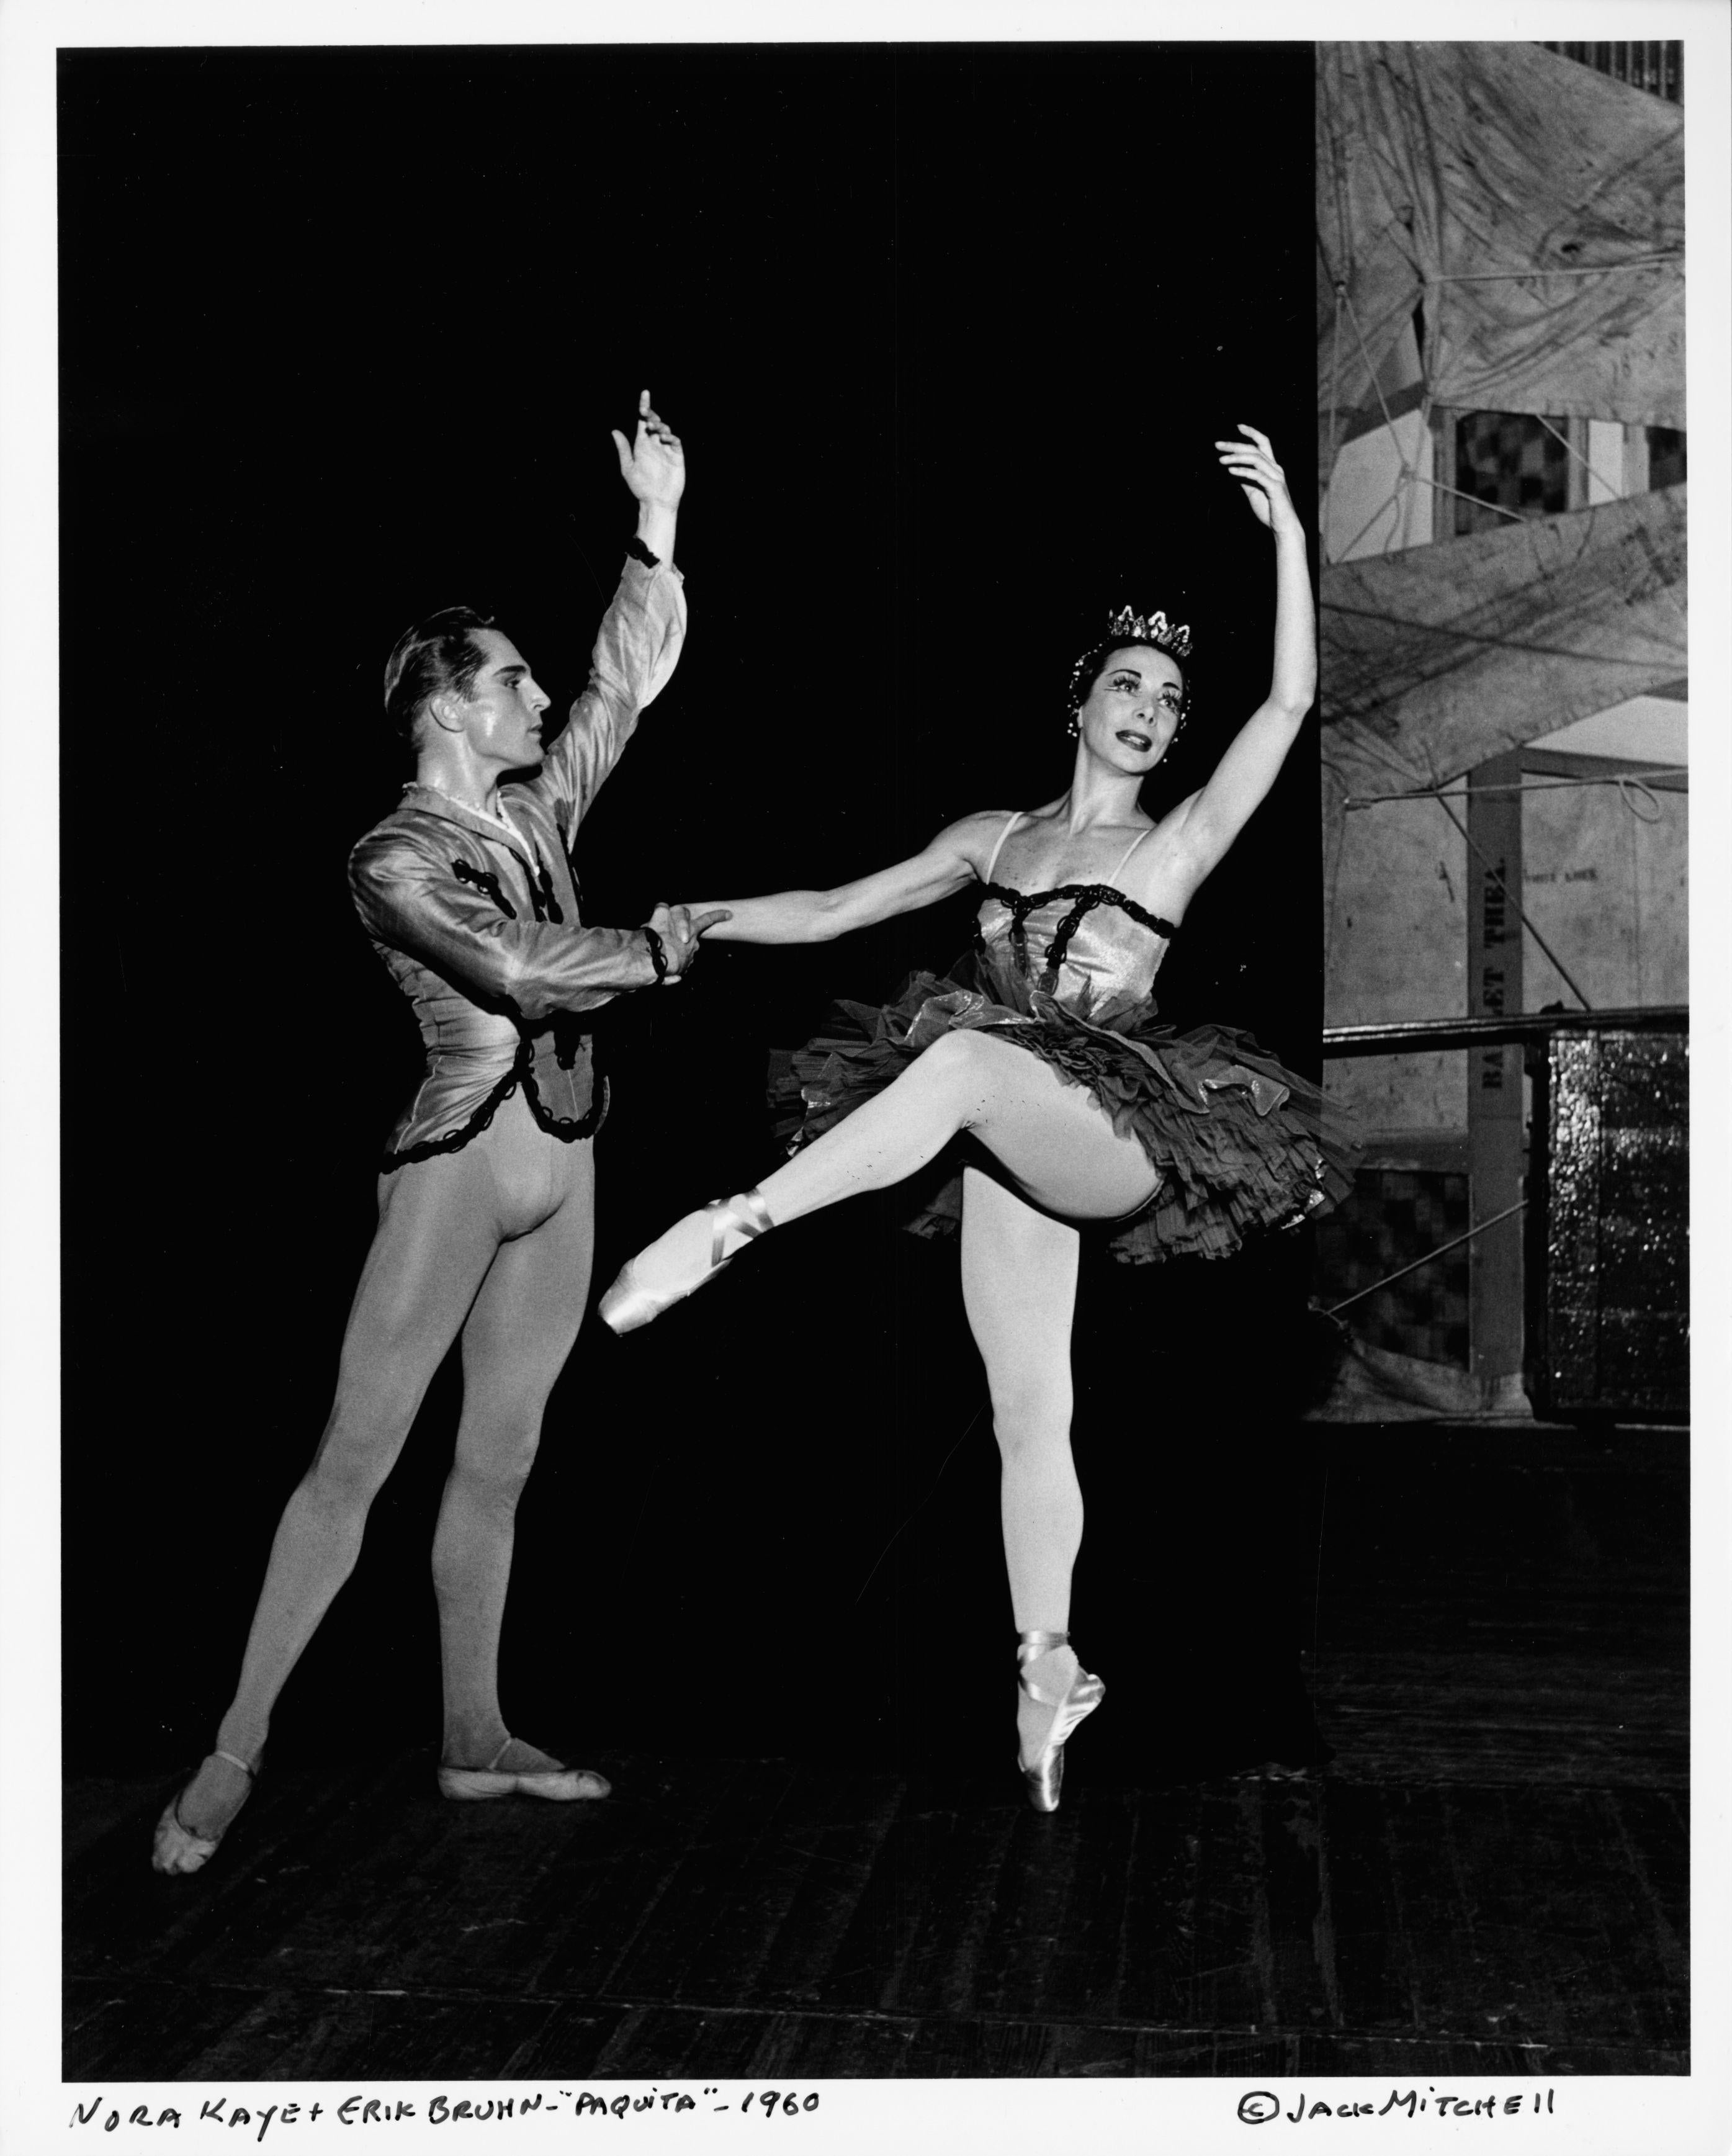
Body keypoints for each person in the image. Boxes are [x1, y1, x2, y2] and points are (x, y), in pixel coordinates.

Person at [597, 425, 1353, 1812]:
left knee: (950, 1067)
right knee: (1025, 1407)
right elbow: (835, 909)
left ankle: (732, 1225)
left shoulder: (1171, 843)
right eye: (1127, 685)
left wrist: (1291, 543)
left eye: (1168, 701)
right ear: (1079, 703)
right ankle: (1047, 1666)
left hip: (1119, 1130)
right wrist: (704, 915)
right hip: (1017, 1132)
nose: (1148, 709)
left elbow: (1290, 707)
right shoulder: (993, 839)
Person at [153, 392, 722, 1874]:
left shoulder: (539, 811)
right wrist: (657, 952)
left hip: (569, 1154)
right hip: (461, 1162)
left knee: (504, 1460)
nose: (538, 701)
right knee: (354, 1457)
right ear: (450, 705)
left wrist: (655, 526)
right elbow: (519, 970)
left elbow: (620, 691)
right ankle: (234, 1748)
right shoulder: (391, 855)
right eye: (511, 682)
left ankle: (475, 1736)